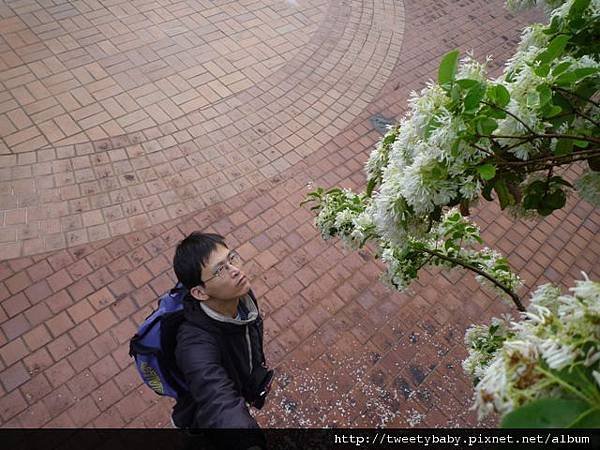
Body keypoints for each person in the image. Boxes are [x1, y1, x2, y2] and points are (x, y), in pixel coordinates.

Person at [171, 232, 273, 438]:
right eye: (219, 270)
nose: (235, 271)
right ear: (199, 292)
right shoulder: (194, 345)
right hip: (204, 423)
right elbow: (217, 398)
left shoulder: (240, 295)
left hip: (241, 386)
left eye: (231, 259)